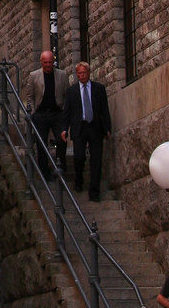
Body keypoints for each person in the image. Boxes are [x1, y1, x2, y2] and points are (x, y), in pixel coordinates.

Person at [60, 61, 111, 201]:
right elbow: (67, 112)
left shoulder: (99, 89)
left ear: (89, 73)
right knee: (79, 157)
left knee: (96, 159)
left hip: (95, 127)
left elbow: (104, 110)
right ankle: (79, 180)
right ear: (77, 75)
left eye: (84, 73)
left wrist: (107, 128)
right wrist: (64, 129)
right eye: (79, 73)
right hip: (79, 127)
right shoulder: (72, 91)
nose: (82, 75)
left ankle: (94, 192)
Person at [26, 49, 69, 177]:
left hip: (57, 113)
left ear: (53, 62)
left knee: (62, 140)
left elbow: (67, 94)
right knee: (41, 143)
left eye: (50, 62)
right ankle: (44, 173)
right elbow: (30, 96)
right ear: (41, 62)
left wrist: (65, 111)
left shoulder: (62, 75)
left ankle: (61, 167)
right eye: (45, 62)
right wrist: (33, 111)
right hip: (41, 113)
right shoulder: (34, 76)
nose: (48, 65)